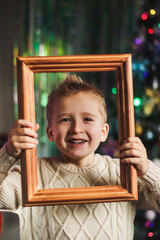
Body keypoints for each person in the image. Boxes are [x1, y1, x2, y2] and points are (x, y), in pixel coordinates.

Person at [0, 74, 160, 240]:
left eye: (87, 119)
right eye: (66, 119)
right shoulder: (31, 174)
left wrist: (146, 169)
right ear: (50, 132)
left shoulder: (122, 173)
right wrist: (8, 154)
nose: (76, 128)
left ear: (103, 132)